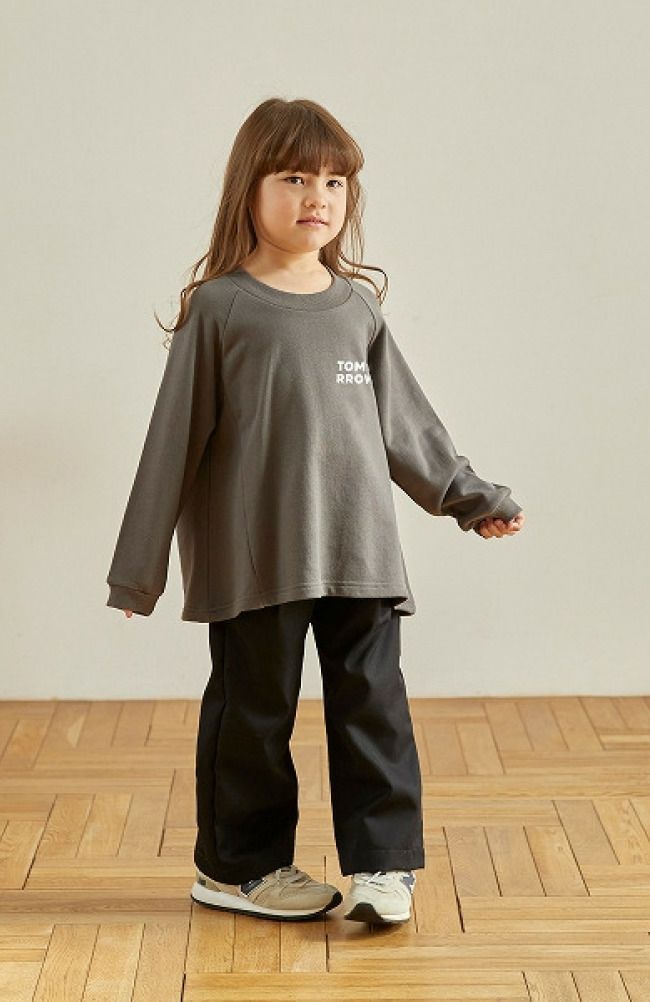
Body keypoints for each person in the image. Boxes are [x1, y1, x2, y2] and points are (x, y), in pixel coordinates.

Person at [104, 97, 525, 926]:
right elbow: (171, 444)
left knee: (375, 707)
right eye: (296, 178)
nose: (317, 197)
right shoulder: (220, 308)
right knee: (253, 715)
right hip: (257, 558)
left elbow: (405, 425)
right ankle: (238, 869)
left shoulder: (357, 307)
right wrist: (137, 573)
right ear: (250, 189)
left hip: (361, 551)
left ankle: (383, 867)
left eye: (334, 182)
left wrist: (469, 498)